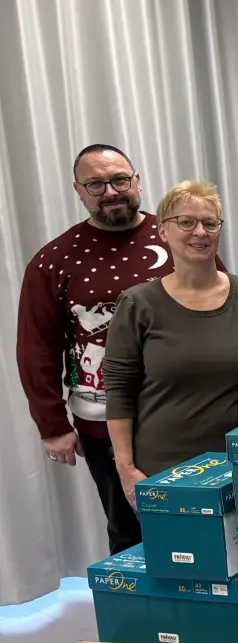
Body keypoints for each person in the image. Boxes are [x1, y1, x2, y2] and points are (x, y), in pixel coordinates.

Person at [16, 144, 221, 552]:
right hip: (103, 422)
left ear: (137, 181)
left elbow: (220, 304)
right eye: (96, 184)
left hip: (190, 413)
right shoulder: (53, 261)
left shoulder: (181, 234)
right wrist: (52, 425)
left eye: (119, 180)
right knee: (130, 534)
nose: (110, 192)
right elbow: (36, 345)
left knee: (210, 528)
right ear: (78, 191)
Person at [102, 181, 238, 505]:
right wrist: (126, 469)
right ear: (162, 231)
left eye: (209, 223)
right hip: (163, 473)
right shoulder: (137, 304)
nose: (200, 232)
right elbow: (119, 391)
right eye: (186, 222)